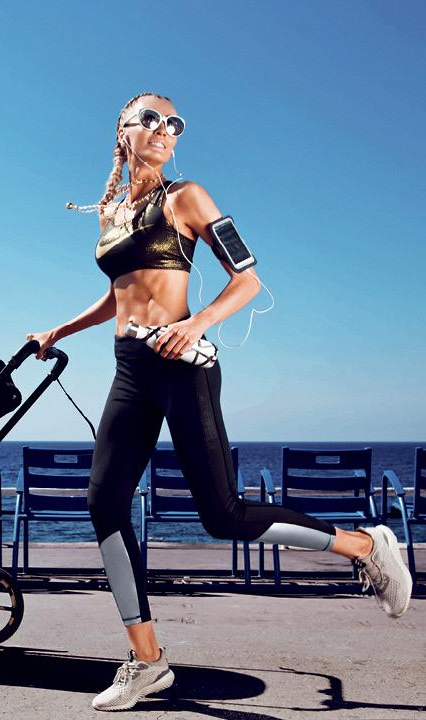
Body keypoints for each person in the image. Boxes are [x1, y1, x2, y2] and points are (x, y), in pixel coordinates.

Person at [26, 92, 413, 712]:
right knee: (103, 501)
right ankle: (147, 662)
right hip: (130, 368)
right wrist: (59, 331)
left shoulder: (187, 196)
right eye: (150, 118)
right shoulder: (112, 214)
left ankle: (366, 547)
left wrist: (198, 322)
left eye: (173, 123)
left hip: (184, 367)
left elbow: (248, 279)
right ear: (122, 131)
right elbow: (120, 294)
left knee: (222, 515)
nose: (163, 129)